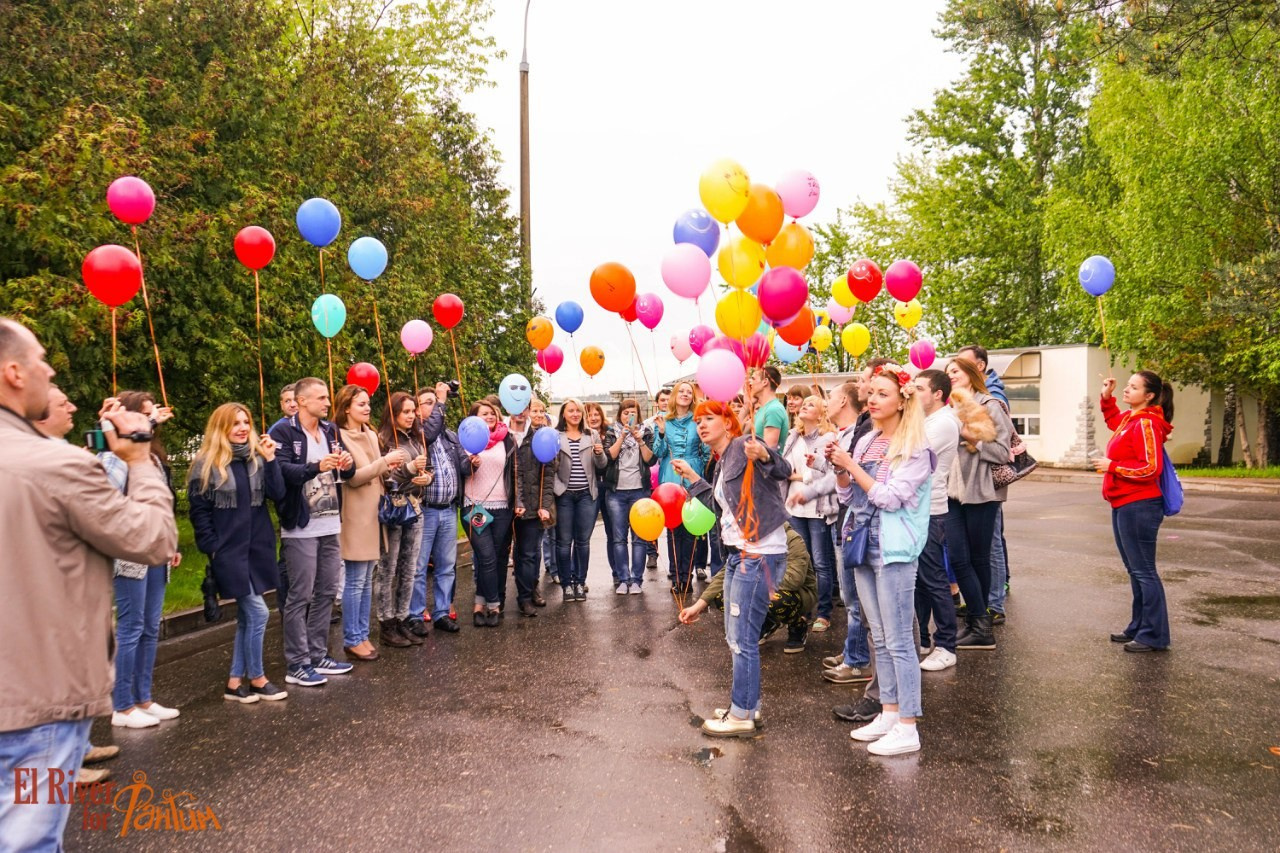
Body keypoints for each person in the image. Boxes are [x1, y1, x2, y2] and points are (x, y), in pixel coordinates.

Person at [0, 319, 176, 851]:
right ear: (12, 373)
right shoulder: (57, 465)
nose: (50, 371)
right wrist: (140, 459)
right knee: (31, 837)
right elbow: (150, 537)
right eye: (41, 361)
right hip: (38, 709)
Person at [675, 400, 791, 737]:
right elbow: (720, 504)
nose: (702, 425)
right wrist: (695, 478)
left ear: (729, 423)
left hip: (759, 554)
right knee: (735, 636)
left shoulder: (743, 446)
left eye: (709, 418)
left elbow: (782, 468)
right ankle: (747, 704)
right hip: (739, 554)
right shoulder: (721, 460)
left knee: (742, 638)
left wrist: (766, 455)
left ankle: (741, 714)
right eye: (698, 421)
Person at [835, 363, 933, 755]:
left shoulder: (916, 448)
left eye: (882, 394)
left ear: (902, 401)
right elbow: (849, 497)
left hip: (892, 549)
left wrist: (851, 467)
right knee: (879, 637)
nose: (872, 399)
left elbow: (891, 497)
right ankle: (890, 712)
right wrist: (840, 471)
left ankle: (908, 725)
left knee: (898, 640)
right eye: (870, 392)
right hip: (862, 541)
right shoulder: (866, 441)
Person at [31, 386, 116, 783]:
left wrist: (104, 427)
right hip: (47, 588)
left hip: (76, 583)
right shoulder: (32, 460)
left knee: (81, 668)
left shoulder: (61, 452)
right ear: (40, 413)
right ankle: (60, 764)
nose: (73, 406)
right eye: (63, 403)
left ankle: (78, 748)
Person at [188, 403, 289, 703]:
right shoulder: (206, 464)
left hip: (257, 547)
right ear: (222, 429)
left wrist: (271, 460)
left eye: (246, 422)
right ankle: (257, 678)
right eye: (235, 423)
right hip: (228, 551)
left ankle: (234, 682)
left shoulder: (256, 459)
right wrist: (213, 549)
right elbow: (199, 512)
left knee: (247, 618)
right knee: (258, 613)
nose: (243, 428)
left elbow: (278, 494)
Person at [97, 391, 182, 729]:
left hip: (155, 550)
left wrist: (170, 542)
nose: (153, 419)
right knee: (131, 627)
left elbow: (161, 502)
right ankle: (122, 706)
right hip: (130, 552)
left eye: (153, 414)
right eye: (145, 414)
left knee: (149, 626)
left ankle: (144, 698)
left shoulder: (153, 456)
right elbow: (110, 498)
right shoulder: (116, 457)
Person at [269, 377, 357, 687]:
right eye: (320, 398)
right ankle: (297, 662)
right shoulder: (282, 430)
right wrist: (315, 467)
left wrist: (345, 464)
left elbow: (347, 470)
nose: (327, 403)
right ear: (301, 400)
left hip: (331, 522)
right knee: (300, 595)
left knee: (326, 591)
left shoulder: (329, 430)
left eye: (327, 398)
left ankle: (319, 655)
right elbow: (279, 473)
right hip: (301, 526)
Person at [795, 381, 874, 691]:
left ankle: (857, 662)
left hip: (855, 520)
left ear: (843, 400)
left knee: (855, 599)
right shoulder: (842, 434)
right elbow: (838, 477)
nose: (826, 401)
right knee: (851, 597)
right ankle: (853, 652)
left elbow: (852, 479)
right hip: (846, 520)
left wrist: (812, 489)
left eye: (830, 396)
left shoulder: (859, 434)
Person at [1096, 372, 1174, 652]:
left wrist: (1112, 466)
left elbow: (1151, 468)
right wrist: (1107, 396)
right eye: (1126, 385)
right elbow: (1112, 421)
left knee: (1144, 571)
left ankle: (1153, 635)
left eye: (1133, 387)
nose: (1126, 390)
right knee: (1135, 570)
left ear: (1149, 395)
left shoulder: (1147, 424)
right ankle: (1138, 626)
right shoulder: (1131, 420)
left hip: (1140, 504)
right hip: (1123, 503)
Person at [335, 384, 408, 659]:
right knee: (355, 580)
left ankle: (362, 635)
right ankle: (352, 638)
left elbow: (377, 472)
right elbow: (353, 476)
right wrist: (383, 462)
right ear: (346, 408)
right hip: (355, 515)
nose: (367, 408)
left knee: (367, 579)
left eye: (367, 403)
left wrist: (392, 467)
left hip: (374, 513)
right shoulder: (340, 436)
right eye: (361, 404)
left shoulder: (371, 434)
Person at [945, 357, 1012, 651]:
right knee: (959, 558)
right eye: (947, 373)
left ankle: (980, 626)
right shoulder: (948, 409)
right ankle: (976, 620)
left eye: (955, 371)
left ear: (972, 374)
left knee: (978, 559)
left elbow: (1002, 451)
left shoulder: (990, 405)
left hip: (982, 492)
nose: (951, 376)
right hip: (952, 492)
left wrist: (970, 436)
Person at [682, 521, 817, 659]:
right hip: (763, 587)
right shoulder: (749, 538)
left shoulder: (792, 539)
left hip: (798, 593)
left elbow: (794, 580)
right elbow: (725, 574)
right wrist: (698, 606)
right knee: (724, 596)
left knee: (777, 601)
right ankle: (766, 623)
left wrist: (755, 581)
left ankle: (798, 626)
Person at [406, 383, 467, 635]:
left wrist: (470, 462)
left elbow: (461, 466)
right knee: (419, 566)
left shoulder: (450, 435)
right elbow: (427, 435)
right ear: (417, 410)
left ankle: (442, 612)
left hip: (449, 509)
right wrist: (441, 401)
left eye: (436, 401)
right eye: (428, 402)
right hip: (427, 509)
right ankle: (416, 614)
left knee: (445, 565)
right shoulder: (417, 433)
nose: (435, 405)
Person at [375, 391, 432, 649]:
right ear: (393, 413)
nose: (410, 416)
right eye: (405, 411)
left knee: (410, 568)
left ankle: (402, 618)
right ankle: (386, 623)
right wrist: (409, 471)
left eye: (412, 411)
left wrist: (426, 478)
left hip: (415, 507)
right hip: (393, 511)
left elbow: (423, 471)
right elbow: (385, 478)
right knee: (389, 568)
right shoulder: (382, 440)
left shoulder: (416, 438)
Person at [913, 369, 960, 671]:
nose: (913, 393)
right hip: (915, 509)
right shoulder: (926, 421)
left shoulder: (942, 423)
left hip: (931, 509)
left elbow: (909, 453)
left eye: (919, 389)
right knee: (918, 580)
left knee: (933, 579)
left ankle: (946, 644)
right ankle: (923, 638)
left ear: (937, 394)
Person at [782, 396, 838, 632]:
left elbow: (828, 474)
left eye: (810, 404)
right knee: (802, 562)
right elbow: (784, 469)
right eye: (803, 404)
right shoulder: (793, 438)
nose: (804, 406)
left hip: (817, 507)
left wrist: (800, 476)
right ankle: (804, 610)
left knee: (821, 562)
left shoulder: (828, 438)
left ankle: (824, 612)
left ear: (821, 413)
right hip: (794, 506)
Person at [651, 381, 709, 591]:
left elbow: (707, 451)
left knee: (691, 528)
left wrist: (697, 467)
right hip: (670, 476)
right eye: (681, 391)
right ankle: (677, 577)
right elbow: (658, 453)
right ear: (674, 396)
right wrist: (662, 433)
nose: (685, 394)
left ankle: (688, 575)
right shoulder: (664, 421)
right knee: (674, 528)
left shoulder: (698, 420)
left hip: (692, 474)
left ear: (693, 398)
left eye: (689, 392)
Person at [464, 398, 517, 625]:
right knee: (485, 557)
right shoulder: (464, 440)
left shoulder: (506, 440)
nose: (489, 417)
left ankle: (479, 603)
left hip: (502, 508)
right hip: (475, 506)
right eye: (484, 414)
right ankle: (494, 606)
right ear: (474, 417)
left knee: (495, 557)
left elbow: (514, 472)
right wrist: (469, 464)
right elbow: (459, 471)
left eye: (492, 413)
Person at [553, 398, 607, 601]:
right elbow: (551, 467)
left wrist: (600, 454)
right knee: (564, 542)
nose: (575, 414)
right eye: (571, 411)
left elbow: (601, 465)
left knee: (583, 542)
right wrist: (558, 489)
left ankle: (580, 582)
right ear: (564, 414)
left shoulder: (591, 435)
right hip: (564, 496)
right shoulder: (556, 436)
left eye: (578, 411)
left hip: (587, 495)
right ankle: (566, 584)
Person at [604, 398, 656, 594]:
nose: (628, 416)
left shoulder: (646, 431)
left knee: (639, 538)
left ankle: (637, 580)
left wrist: (639, 439)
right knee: (618, 538)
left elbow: (650, 460)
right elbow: (610, 457)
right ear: (620, 415)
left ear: (638, 415)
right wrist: (622, 436)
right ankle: (623, 579)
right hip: (616, 493)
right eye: (625, 413)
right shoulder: (612, 432)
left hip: (639, 491)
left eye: (632, 413)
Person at [511, 397, 555, 615]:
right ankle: (493, 601)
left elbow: (547, 477)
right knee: (501, 556)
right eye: (515, 407)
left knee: (529, 554)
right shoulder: (501, 436)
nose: (520, 412)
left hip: (531, 506)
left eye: (525, 408)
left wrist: (544, 504)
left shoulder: (539, 437)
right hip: (502, 507)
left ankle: (526, 596)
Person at [642, 389, 671, 572]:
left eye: (669, 399)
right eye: (662, 400)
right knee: (652, 516)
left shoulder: (678, 422)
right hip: (653, 475)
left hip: (669, 473)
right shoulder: (648, 424)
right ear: (657, 403)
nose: (666, 403)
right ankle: (652, 553)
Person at [584, 401, 612, 583]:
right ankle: (579, 578)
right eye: (589, 415)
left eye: (596, 414)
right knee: (583, 535)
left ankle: (617, 574)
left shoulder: (610, 434)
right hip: (590, 487)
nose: (593, 418)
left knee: (612, 533)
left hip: (608, 486)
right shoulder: (582, 436)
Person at [747, 365, 788, 449]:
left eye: (753, 379)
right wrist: (746, 405)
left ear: (765, 382)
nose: (750, 383)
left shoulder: (773, 410)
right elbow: (739, 434)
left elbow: (769, 451)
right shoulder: (763, 409)